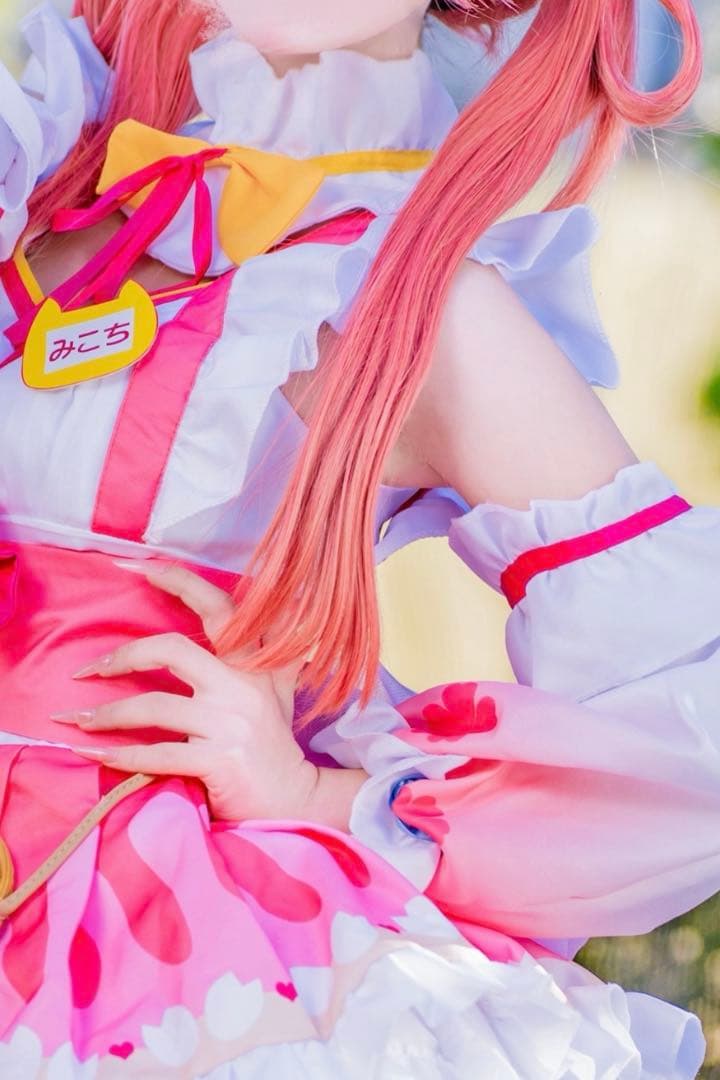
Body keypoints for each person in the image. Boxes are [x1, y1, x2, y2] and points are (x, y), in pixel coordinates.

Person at [0, 0, 717, 1075]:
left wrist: (325, 796)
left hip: (148, 950)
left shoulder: (420, 305)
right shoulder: (45, 178)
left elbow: (691, 724)